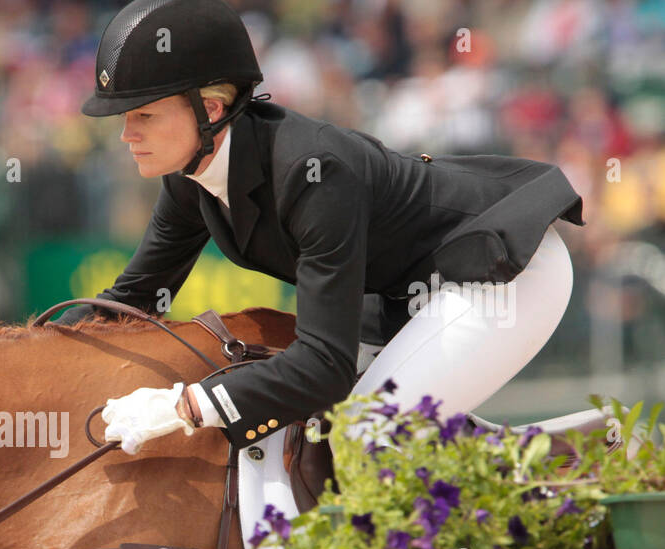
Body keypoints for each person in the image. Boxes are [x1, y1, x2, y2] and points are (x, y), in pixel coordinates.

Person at [80, 0, 582, 457]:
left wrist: (187, 406)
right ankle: (544, 452)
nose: (127, 134)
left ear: (209, 110)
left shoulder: (312, 171)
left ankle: (572, 464)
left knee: (365, 436)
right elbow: (132, 300)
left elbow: (323, 366)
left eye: (144, 114)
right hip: (407, 294)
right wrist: (19, 350)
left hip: (503, 274)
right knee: (331, 432)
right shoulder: (191, 178)